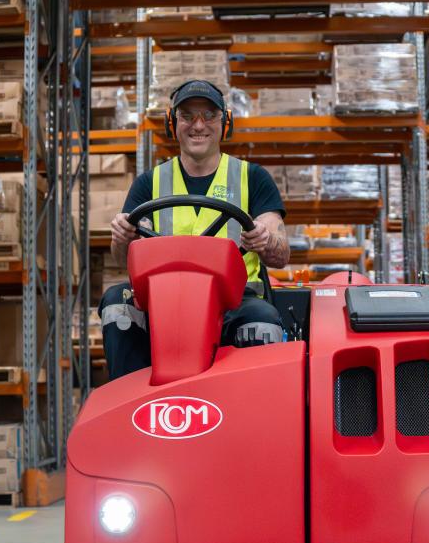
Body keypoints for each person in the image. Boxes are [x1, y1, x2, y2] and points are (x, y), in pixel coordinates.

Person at [100, 79, 290, 380]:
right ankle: (133, 406)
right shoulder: (149, 183)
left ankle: (253, 413)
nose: (198, 125)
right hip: (164, 302)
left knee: (263, 317)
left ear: (225, 123)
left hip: (234, 301)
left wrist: (266, 239)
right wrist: (121, 237)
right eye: (187, 115)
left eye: (209, 115)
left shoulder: (252, 178)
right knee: (116, 302)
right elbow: (123, 258)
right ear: (172, 124)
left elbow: (280, 254)